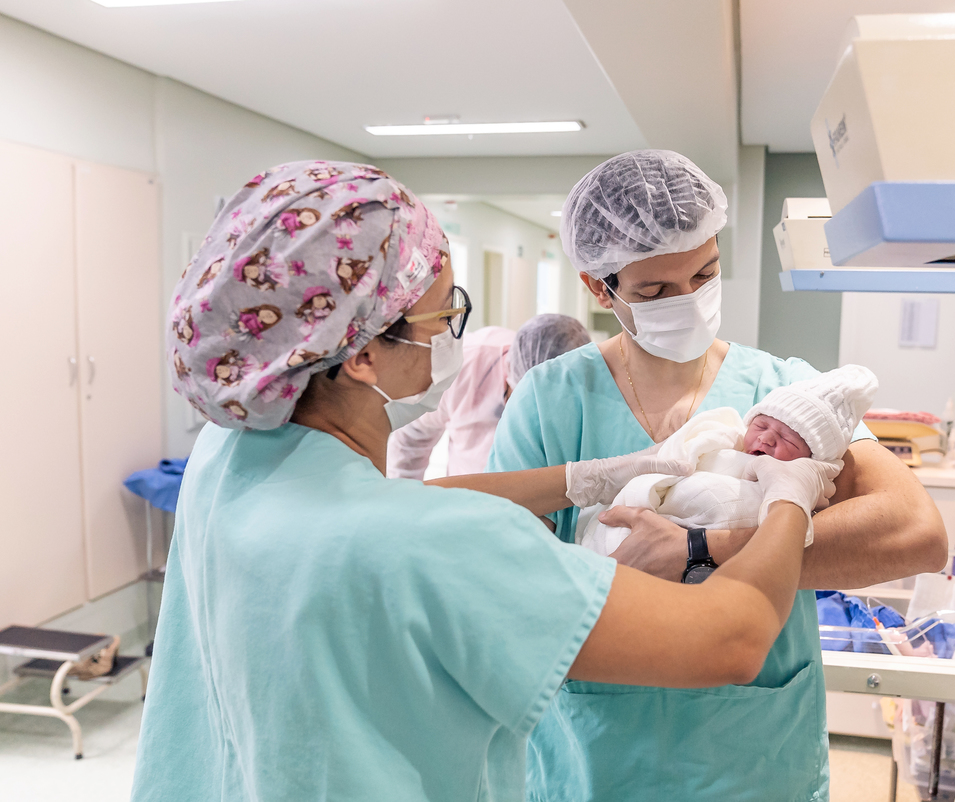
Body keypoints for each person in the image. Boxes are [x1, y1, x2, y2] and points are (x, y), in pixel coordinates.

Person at [131, 160, 840, 802]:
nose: (456, 339)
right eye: (445, 315)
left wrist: (585, 479)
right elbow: (734, 638)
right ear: (362, 355)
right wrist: (789, 494)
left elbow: (383, 508)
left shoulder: (226, 459)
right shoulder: (444, 543)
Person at [489, 150, 947, 801]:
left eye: (705, 274)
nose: (689, 301)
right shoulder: (550, 400)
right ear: (599, 287)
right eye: (655, 291)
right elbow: (508, 585)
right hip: (597, 755)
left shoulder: (783, 390)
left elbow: (916, 533)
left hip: (754, 754)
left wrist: (703, 549)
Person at [579, 364, 879, 557]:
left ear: (812, 458)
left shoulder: (796, 483)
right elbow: (683, 460)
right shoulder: (724, 441)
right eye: (761, 425)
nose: (766, 439)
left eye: (788, 438)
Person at [387, 315, 590, 479]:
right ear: (513, 376)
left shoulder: (579, 396)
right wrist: (406, 499)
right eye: (525, 401)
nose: (527, 417)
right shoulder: (463, 367)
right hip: (466, 499)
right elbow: (411, 438)